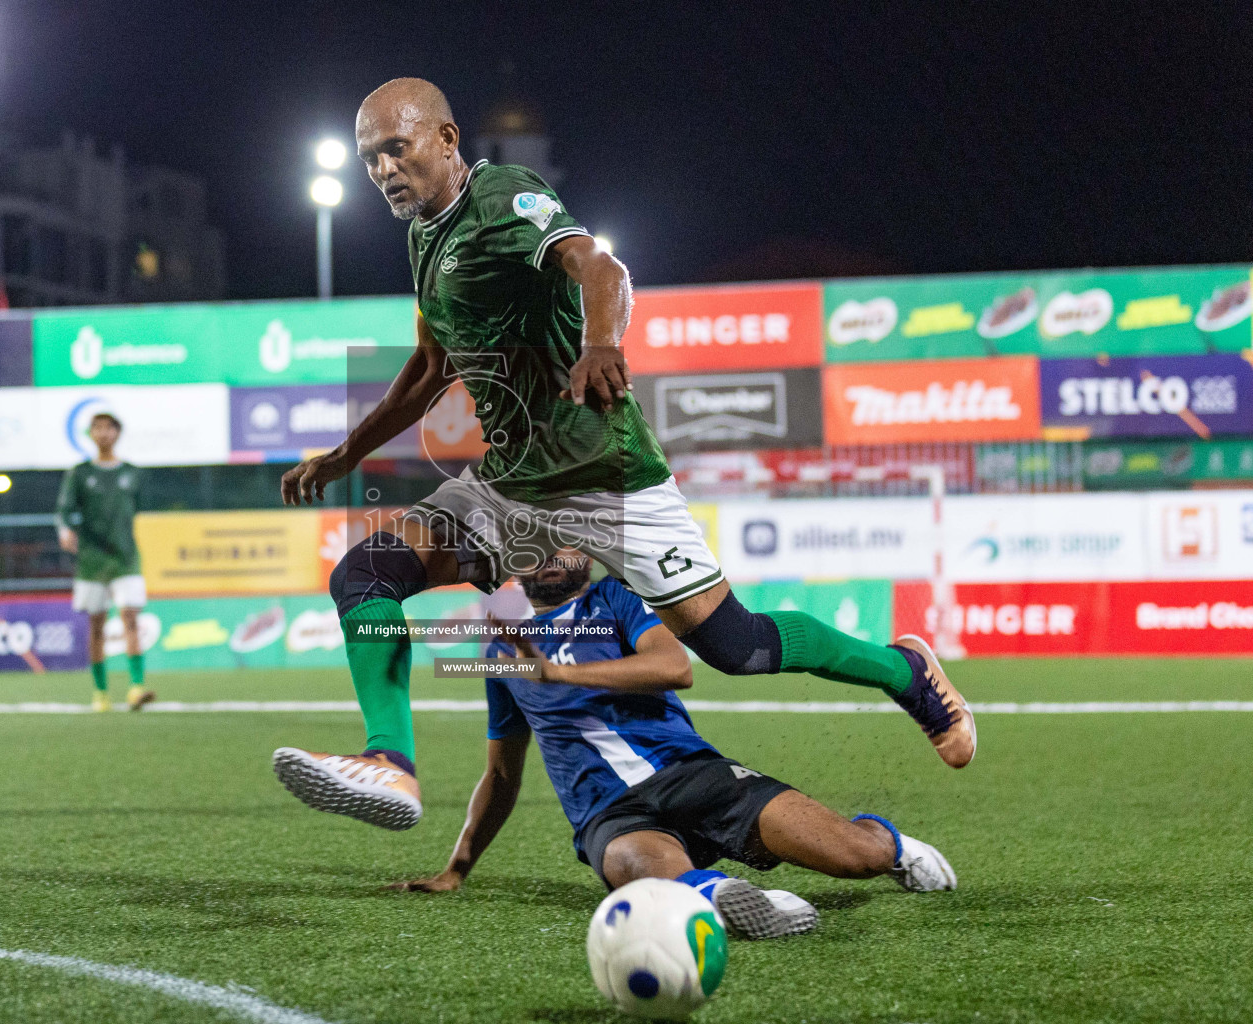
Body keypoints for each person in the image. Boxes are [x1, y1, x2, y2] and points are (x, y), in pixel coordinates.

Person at [273, 77, 974, 831]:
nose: (381, 169)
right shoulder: (423, 236)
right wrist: (346, 455)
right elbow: (429, 364)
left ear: (445, 140)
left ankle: (904, 670)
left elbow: (600, 268)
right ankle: (391, 763)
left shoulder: (505, 195)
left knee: (732, 645)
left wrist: (600, 344)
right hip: (510, 487)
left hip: (606, 478)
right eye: (368, 157)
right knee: (367, 571)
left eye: (394, 148)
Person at [388, 548, 956, 940]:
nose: (554, 555)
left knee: (858, 859)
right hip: (610, 814)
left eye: (564, 545)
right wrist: (457, 867)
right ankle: (718, 896)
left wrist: (558, 676)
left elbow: (674, 666)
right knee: (649, 868)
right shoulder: (500, 652)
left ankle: (891, 845)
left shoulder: (616, 600)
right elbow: (503, 775)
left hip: (694, 774)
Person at [55, 412, 154, 713]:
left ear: (117, 433)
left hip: (125, 557)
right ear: (90, 434)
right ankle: (101, 693)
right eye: (97, 428)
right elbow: (63, 509)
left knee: (130, 617)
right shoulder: (80, 473)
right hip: (91, 560)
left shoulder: (132, 473)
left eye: (108, 428)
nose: (103, 433)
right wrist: (64, 529)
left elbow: (137, 509)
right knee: (96, 624)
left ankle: (136, 688)